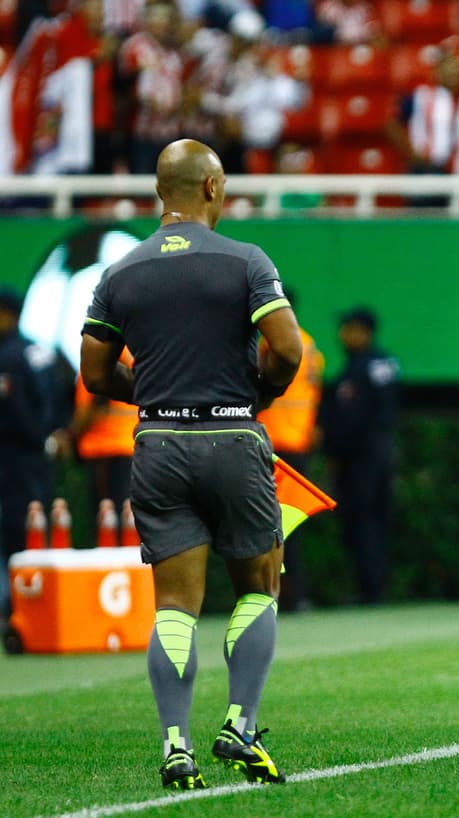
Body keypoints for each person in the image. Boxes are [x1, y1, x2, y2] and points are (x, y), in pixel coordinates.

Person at [79, 138, 302, 789]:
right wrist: (258, 395)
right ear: (210, 188)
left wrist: (149, 394)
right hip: (232, 438)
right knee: (260, 582)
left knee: (174, 605)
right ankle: (239, 723)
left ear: (159, 192)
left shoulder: (122, 272)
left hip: (158, 444)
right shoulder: (244, 261)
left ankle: (175, 742)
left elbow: (95, 373)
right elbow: (285, 349)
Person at [318, 306, 398, 605]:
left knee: (367, 521)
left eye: (349, 328)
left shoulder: (373, 366)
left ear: (365, 331)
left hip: (366, 459)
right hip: (360, 459)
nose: (343, 335)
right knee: (361, 523)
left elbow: (370, 416)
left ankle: (373, 590)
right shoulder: (356, 368)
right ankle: (370, 587)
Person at [257, 292, 324, 611]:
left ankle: (277, 595)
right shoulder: (308, 343)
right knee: (289, 525)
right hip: (298, 441)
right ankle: (296, 595)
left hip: (274, 442)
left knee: (269, 526)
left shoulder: (273, 341)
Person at [0, 285, 56, 620]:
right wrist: (47, 436)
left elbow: (17, 412)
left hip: (15, 457)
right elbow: (58, 400)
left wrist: (32, 436)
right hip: (38, 457)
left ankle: (18, 608)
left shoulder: (8, 356)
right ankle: (40, 604)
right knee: (37, 524)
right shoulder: (39, 350)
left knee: (16, 531)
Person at [69, 346, 136, 528]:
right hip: (131, 447)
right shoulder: (137, 365)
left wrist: (70, 435)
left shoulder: (98, 366)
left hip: (104, 450)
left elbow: (88, 413)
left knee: (105, 518)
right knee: (127, 515)